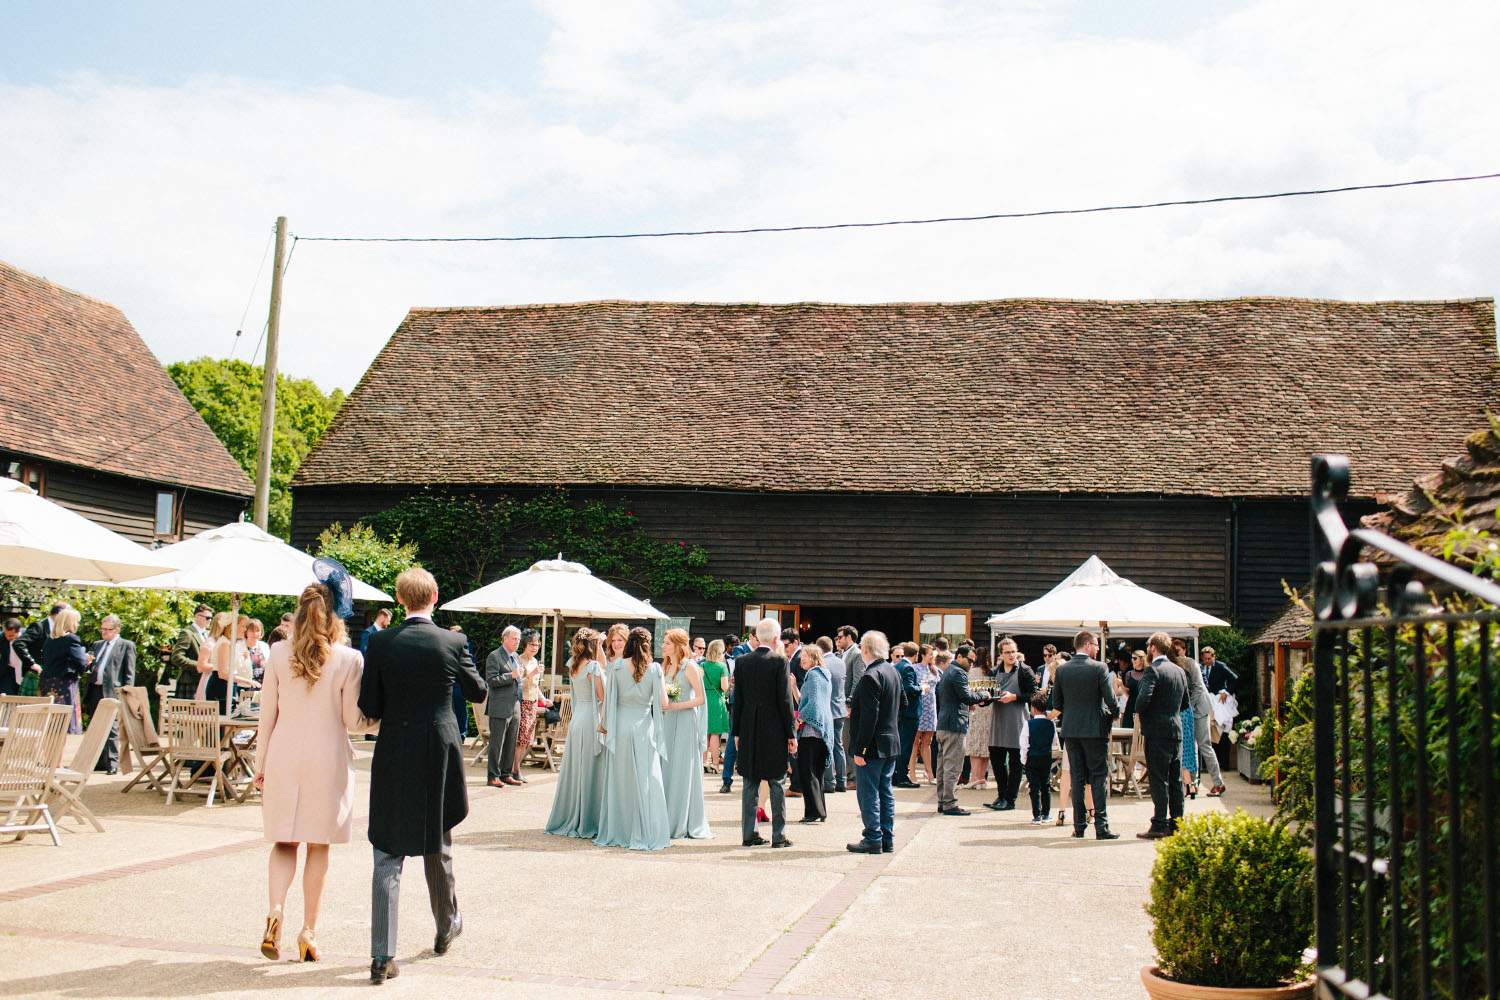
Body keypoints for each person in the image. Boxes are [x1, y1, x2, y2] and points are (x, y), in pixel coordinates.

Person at [359, 567, 486, 984]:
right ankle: (446, 926)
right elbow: (478, 692)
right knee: (438, 840)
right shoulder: (453, 641)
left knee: (387, 848)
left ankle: (382, 956)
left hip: (395, 747)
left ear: (399, 600)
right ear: (434, 596)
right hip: (438, 750)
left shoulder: (379, 642)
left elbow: (370, 704)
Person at [253, 570, 374, 965]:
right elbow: (353, 721)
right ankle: (308, 930)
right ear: (335, 617)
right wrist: (382, 718)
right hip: (327, 759)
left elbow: (265, 716)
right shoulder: (348, 658)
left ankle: (275, 910)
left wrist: (259, 764)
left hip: (284, 754)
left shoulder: (275, 653)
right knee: (318, 845)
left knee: (284, 841)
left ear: (299, 614)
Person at [595, 627, 672, 851]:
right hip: (644, 728)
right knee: (646, 780)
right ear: (649, 645)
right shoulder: (656, 669)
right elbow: (664, 704)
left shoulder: (618, 666)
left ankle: (620, 828)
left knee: (620, 780)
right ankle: (646, 829)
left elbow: (609, 700)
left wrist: (605, 727)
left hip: (620, 727)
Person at [732, 617, 796, 848]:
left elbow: (737, 700)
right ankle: (779, 835)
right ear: (777, 638)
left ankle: (749, 833)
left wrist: (736, 731)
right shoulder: (780, 661)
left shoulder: (742, 662)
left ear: (757, 637)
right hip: (774, 728)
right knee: (777, 780)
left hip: (748, 726)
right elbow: (785, 700)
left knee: (750, 780)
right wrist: (791, 733)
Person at [1052, 630, 1120, 840]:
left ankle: (1079, 825)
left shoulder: (1063, 670)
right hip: (1094, 729)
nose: (1098, 649)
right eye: (1097, 645)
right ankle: (1101, 826)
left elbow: (1057, 704)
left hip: (1071, 729)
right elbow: (1110, 698)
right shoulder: (1099, 668)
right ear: (1088, 645)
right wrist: (1115, 714)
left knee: (1078, 778)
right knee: (1098, 777)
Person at [545, 628, 609, 839]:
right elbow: (602, 696)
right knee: (591, 768)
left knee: (577, 769)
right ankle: (590, 818)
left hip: (577, 720)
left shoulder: (573, 665)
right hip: (591, 719)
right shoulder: (593, 667)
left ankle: (575, 812)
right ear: (592, 645)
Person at [846, 630, 899, 854]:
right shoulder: (892, 672)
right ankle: (886, 837)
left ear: (865, 651)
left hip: (873, 745)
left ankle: (873, 837)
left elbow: (869, 716)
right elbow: (903, 703)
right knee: (885, 791)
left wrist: (861, 748)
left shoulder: (870, 676)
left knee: (868, 792)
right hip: (891, 740)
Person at [1136, 631, 1190, 840]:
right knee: (1175, 779)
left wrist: (1147, 711)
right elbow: (1185, 702)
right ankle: (1177, 822)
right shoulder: (1179, 671)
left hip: (1156, 731)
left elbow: (1142, 701)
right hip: (1175, 730)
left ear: (1152, 648)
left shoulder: (1153, 671)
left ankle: (1159, 823)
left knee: (1158, 779)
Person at [661, 627, 712, 839]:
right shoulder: (665, 667)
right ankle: (665, 817)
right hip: (668, 721)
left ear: (677, 646)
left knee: (682, 768)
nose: (663, 646)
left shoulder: (689, 667)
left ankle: (682, 820)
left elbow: (701, 699)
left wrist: (677, 706)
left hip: (684, 721)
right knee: (667, 767)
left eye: (667, 644)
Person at [934, 649, 990, 815]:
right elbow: (967, 697)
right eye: (969, 660)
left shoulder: (947, 671)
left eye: (973, 661)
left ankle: (943, 801)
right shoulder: (958, 672)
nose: (971, 664)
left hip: (944, 723)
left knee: (943, 767)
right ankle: (949, 803)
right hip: (954, 726)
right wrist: (984, 694)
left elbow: (948, 696)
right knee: (952, 767)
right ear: (959, 656)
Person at [987, 637, 1037, 811]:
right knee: (997, 760)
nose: (1011, 655)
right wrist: (982, 701)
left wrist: (1015, 697)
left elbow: (1034, 695)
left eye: (1013, 651)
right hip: (998, 720)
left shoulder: (1025, 671)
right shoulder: (994, 671)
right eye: (1007, 652)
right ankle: (1001, 795)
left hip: (1017, 720)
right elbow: (988, 693)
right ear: (1001, 654)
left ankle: (1010, 799)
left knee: (1015, 762)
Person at [84, 614, 135, 773]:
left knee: (112, 728)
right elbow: (92, 666)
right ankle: (99, 761)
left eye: (107, 629)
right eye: (102, 629)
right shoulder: (98, 644)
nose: (104, 632)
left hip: (112, 690)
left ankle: (113, 763)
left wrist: (127, 692)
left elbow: (129, 672)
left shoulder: (125, 645)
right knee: (96, 726)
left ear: (117, 629)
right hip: (95, 689)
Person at [1174, 638, 1224, 796]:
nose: (1177, 655)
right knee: (1191, 746)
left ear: (1184, 650)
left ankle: (1218, 783)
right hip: (1188, 709)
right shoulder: (1175, 664)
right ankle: (1193, 783)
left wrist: (1188, 708)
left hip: (1199, 709)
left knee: (1204, 745)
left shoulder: (1191, 664)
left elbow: (1197, 688)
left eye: (1178, 651)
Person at [795, 644, 833, 823]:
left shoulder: (814, 676)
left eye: (806, 656)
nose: (802, 659)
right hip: (822, 731)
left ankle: (814, 811)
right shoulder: (824, 675)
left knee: (807, 772)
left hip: (811, 731)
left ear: (814, 658)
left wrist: (800, 719)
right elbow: (807, 700)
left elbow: (814, 704)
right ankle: (820, 809)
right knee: (817, 773)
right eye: (802, 655)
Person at [483, 625, 525, 788]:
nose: (517, 642)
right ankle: (492, 775)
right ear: (505, 638)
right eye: (514, 639)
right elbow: (491, 680)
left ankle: (506, 774)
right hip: (500, 706)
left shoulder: (515, 656)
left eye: (518, 639)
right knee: (497, 743)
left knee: (511, 742)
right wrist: (511, 675)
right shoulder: (494, 656)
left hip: (514, 705)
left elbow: (517, 681)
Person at [39, 606, 88, 733]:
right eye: (77, 621)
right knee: (63, 723)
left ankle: (51, 752)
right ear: (70, 622)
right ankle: (58, 752)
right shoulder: (71, 639)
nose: (77, 624)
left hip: (47, 684)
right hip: (63, 683)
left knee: (50, 723)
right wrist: (86, 661)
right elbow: (81, 663)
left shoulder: (49, 640)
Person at [513, 629, 545, 784]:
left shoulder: (535, 661)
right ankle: (515, 769)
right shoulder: (519, 660)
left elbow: (535, 685)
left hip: (532, 702)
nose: (534, 647)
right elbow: (518, 684)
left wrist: (544, 699)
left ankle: (516, 768)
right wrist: (531, 674)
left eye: (537, 645)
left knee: (527, 739)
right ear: (525, 645)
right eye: (532, 644)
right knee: (521, 739)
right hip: (522, 701)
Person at [891, 642, 922, 789]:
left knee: (900, 745)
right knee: (905, 746)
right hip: (909, 712)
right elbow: (909, 688)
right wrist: (922, 688)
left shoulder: (896, 665)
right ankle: (902, 776)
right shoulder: (908, 667)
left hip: (899, 711)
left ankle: (897, 775)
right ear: (916, 655)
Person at [819, 636, 847, 794]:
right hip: (840, 708)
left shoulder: (823, 663)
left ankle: (829, 781)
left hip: (828, 709)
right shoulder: (840, 661)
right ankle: (842, 780)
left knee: (827, 745)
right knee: (839, 745)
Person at [962, 646, 993, 789]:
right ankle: (982, 778)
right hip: (990, 710)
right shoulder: (992, 673)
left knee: (974, 743)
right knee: (986, 743)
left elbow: (967, 692)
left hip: (976, 710)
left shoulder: (972, 672)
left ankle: (974, 777)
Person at [1024, 691, 1057, 824]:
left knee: (1034, 786)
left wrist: (1023, 758)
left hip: (1032, 756)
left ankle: (1036, 814)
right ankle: (1046, 813)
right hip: (1046, 756)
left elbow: (1024, 742)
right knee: (1046, 785)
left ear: (1033, 708)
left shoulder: (1028, 724)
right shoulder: (1051, 724)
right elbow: (1054, 740)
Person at [700, 639, 730, 773]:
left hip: (704, 699)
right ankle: (715, 763)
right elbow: (724, 686)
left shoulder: (702, 665)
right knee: (715, 734)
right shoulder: (722, 667)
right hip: (717, 700)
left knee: (704, 732)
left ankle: (703, 761)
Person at [171, 605, 212, 698]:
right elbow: (177, 657)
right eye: (207, 618)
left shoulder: (207, 634)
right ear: (197, 616)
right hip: (189, 681)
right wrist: (199, 666)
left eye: (211, 618)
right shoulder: (187, 633)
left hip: (204, 681)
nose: (210, 620)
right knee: (188, 712)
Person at [912, 644, 939, 784]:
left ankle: (930, 773)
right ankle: (912, 773)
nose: (932, 657)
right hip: (920, 706)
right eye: (930, 654)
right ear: (922, 655)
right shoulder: (915, 669)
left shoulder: (934, 670)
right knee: (915, 741)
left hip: (931, 708)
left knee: (927, 742)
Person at [238, 618, 270, 687]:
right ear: (246, 632)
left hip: (262, 687)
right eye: (252, 631)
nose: (255, 634)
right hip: (244, 687)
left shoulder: (265, 646)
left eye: (257, 631)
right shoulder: (238, 647)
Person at [1, 618, 30, 696]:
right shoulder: (2, 638)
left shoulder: (28, 636)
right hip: (9, 671)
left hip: (25, 671)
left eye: (11, 635)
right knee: (7, 697)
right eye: (6, 635)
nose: (8, 638)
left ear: (19, 631)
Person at [1121, 649, 1148, 729]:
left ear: (1142, 659)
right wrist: (1121, 685)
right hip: (1131, 705)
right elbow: (1128, 693)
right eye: (1132, 658)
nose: (1132, 660)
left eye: (1135, 658)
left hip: (1143, 706)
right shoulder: (1129, 674)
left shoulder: (1148, 673)